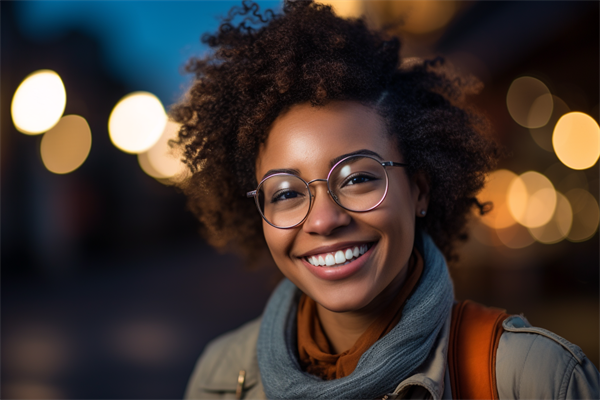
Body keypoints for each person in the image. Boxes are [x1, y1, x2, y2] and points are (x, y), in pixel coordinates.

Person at [171, 1, 600, 399]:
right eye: (285, 193)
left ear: (419, 190)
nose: (322, 220)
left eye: (357, 178)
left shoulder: (538, 379)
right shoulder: (221, 378)